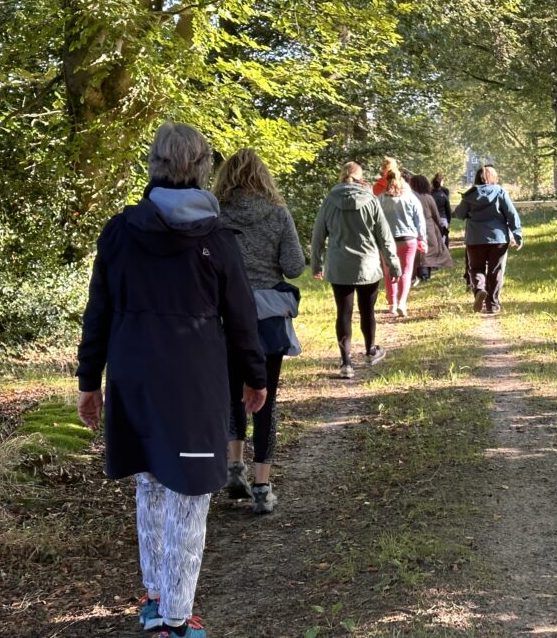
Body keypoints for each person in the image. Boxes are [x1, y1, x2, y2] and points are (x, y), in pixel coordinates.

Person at [77, 122, 267, 638]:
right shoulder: (218, 238)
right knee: (187, 494)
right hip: (192, 379)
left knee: (151, 481)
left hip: (134, 373)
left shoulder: (120, 231)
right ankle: (176, 620)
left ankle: (158, 598)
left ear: (154, 165)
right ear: (203, 167)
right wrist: (255, 375)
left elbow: (98, 312)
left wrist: (89, 381)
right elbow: (242, 317)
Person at [213, 148, 305, 515]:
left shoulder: (215, 216)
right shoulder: (278, 215)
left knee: (232, 391)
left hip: (223, 315)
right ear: (263, 177)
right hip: (266, 317)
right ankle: (263, 487)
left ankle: (234, 468)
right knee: (265, 400)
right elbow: (294, 267)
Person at [312, 161, 400, 378]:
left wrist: (316, 263)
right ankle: (370, 351)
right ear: (361, 178)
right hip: (367, 265)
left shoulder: (330, 201)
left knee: (343, 312)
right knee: (367, 310)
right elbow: (385, 237)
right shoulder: (370, 200)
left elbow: (317, 235)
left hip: (339, 265)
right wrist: (393, 264)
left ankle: (346, 363)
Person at [453, 165, 523, 314]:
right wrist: (517, 235)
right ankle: (493, 304)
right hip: (498, 239)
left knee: (476, 268)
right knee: (496, 271)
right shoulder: (500, 192)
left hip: (475, 238)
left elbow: (459, 214)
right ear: (494, 178)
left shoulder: (470, 195)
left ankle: (479, 290)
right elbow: (511, 214)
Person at [378, 167, 427, 316]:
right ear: (402, 180)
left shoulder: (380, 199)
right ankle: (402, 303)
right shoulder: (410, 198)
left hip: (386, 240)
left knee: (388, 272)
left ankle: (392, 304)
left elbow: (375, 221)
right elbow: (420, 220)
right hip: (407, 240)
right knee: (406, 272)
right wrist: (422, 238)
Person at [410, 173, 452, 282]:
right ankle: (425, 273)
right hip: (428, 226)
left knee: (416, 251)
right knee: (428, 250)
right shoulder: (428, 197)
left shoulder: (409, 197)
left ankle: (417, 273)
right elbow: (435, 214)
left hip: (412, 227)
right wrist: (440, 226)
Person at [431, 173, 452, 247]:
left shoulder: (429, 193)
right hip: (443, 218)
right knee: (444, 238)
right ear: (441, 182)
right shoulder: (444, 193)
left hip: (432, 218)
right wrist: (449, 221)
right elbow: (448, 208)